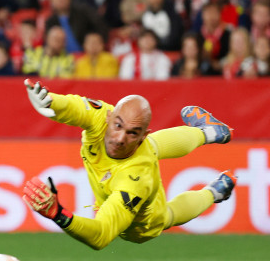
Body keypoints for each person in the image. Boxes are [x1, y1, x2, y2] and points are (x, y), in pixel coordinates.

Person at [21, 80, 236, 250]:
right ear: (109, 116)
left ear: (142, 136)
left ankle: (214, 193)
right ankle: (211, 131)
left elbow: (101, 234)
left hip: (139, 226)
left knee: (167, 215)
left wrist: (59, 213)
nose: (121, 138)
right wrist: (49, 101)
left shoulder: (137, 180)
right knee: (154, 145)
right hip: (129, 162)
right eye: (118, 126)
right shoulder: (100, 116)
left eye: (132, 133)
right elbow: (74, 106)